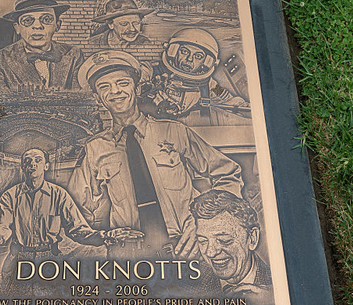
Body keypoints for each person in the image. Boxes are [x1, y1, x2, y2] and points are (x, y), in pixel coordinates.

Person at [68, 50, 243, 260]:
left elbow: (228, 174)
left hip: (186, 249)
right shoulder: (94, 148)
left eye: (122, 83)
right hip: (129, 256)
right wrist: (104, 237)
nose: (115, 91)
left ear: (136, 87)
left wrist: (207, 223)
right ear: (98, 98)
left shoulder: (175, 132)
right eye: (104, 87)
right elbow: (74, 211)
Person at [0, 148, 142, 259]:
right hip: (18, 259)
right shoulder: (10, 196)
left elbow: (78, 230)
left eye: (38, 160)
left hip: (50, 260)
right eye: (28, 161)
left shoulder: (59, 195)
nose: (33, 164)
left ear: (46, 166)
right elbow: (3, 230)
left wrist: (106, 235)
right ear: (23, 167)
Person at [145, 28, 250, 126]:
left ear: (206, 62)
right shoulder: (151, 72)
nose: (189, 59)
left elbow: (226, 99)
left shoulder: (209, 84)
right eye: (184, 51)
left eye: (198, 56)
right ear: (173, 52)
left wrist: (242, 105)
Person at [0, 0, 83, 91]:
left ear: (57, 25)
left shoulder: (74, 55)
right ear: (17, 28)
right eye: (27, 20)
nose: (37, 26)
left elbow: (79, 101)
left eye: (46, 19)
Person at [190, 190, 272, 304]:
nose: (210, 252)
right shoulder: (189, 284)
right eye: (202, 241)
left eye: (224, 240)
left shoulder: (276, 286)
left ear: (252, 238)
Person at [87, 0, 153, 49]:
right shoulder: (92, 43)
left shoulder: (145, 43)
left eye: (136, 23)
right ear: (111, 25)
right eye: (124, 24)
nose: (132, 29)